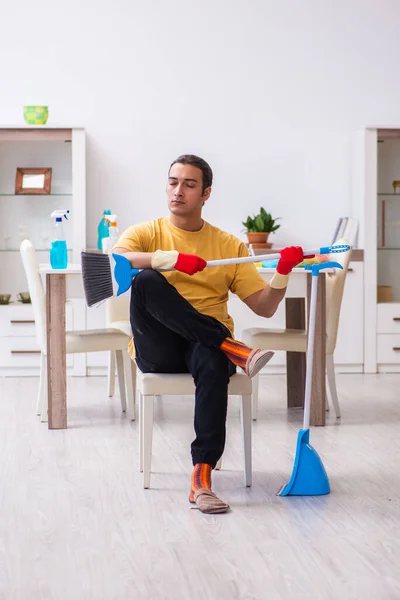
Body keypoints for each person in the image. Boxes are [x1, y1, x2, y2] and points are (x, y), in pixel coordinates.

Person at [113, 154, 303, 514]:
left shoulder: (229, 245)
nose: (178, 191)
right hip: (158, 348)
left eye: (189, 184)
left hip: (204, 347)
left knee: (212, 360)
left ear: (206, 193)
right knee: (148, 281)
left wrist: (282, 274)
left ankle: (201, 477)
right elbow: (118, 259)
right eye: (173, 182)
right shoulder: (145, 233)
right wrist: (165, 259)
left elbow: (264, 306)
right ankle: (234, 348)